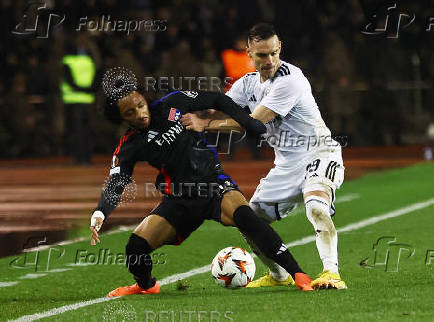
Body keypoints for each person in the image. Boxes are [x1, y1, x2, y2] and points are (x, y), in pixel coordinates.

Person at [90, 67, 314, 297]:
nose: (139, 113)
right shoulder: (129, 145)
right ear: (122, 118)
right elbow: (118, 181)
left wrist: (247, 121)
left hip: (212, 185)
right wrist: (100, 213)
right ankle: (146, 286)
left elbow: (216, 98)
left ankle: (298, 274)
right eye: (130, 113)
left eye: (140, 104)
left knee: (247, 218)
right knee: (135, 248)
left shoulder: (172, 104)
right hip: (179, 200)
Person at [181, 23, 347, 290]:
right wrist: (184, 111)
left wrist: (206, 125)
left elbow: (254, 123)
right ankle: (279, 275)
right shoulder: (247, 83)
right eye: (262, 55)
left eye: (273, 53)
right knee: (248, 218)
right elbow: (221, 106)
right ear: (249, 53)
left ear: (279, 48)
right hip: (286, 164)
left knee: (316, 206)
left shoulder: (290, 78)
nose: (269, 61)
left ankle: (331, 273)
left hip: (320, 151)